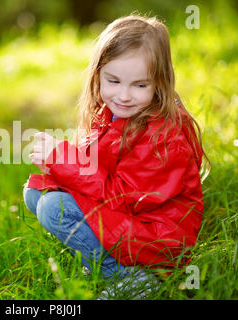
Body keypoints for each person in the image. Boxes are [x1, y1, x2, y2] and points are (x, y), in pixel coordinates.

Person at [22, 14, 209, 299]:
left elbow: (123, 196)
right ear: (97, 74)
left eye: (139, 85)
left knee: (52, 208)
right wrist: (59, 164)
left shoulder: (163, 136)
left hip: (158, 235)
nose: (123, 95)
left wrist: (63, 160)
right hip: (130, 216)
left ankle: (132, 277)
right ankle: (99, 261)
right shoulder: (113, 114)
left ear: (160, 82)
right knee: (36, 193)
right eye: (114, 81)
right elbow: (101, 172)